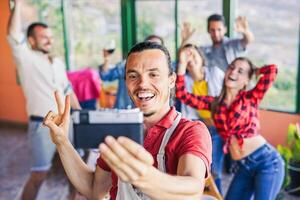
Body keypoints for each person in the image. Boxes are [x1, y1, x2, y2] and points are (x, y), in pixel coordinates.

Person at [43, 41, 212, 199]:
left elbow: (193, 189)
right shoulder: (118, 130)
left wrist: (145, 177)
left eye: (153, 74)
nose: (142, 84)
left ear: (171, 80)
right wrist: (62, 142)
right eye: (133, 76)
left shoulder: (190, 131)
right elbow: (94, 189)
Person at [176, 50, 284, 199]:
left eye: (240, 71)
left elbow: (272, 70)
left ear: (246, 80)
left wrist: (255, 70)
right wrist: (182, 64)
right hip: (243, 166)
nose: (234, 72)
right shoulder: (214, 104)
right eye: (232, 67)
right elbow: (182, 94)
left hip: (266, 162)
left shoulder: (251, 97)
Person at [7, 0, 81, 199]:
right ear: (31, 41)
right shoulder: (26, 59)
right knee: (39, 174)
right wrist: (19, 5)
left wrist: (81, 113)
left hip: (68, 122)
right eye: (43, 37)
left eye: (50, 37)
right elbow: (14, 35)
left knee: (75, 172)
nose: (49, 40)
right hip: (41, 125)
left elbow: (67, 90)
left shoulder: (57, 62)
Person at [181, 14, 255, 193]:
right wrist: (185, 42)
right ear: (208, 30)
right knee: (209, 167)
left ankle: (219, 191)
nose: (216, 33)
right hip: (208, 119)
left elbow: (247, 41)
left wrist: (246, 32)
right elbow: (187, 57)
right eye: (212, 29)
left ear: (225, 29)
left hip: (225, 116)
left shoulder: (228, 49)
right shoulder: (204, 53)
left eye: (219, 29)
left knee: (230, 164)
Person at [99, 35, 164, 109]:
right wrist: (107, 58)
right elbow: (106, 76)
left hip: (152, 112)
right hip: (125, 111)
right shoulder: (127, 64)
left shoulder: (166, 68)